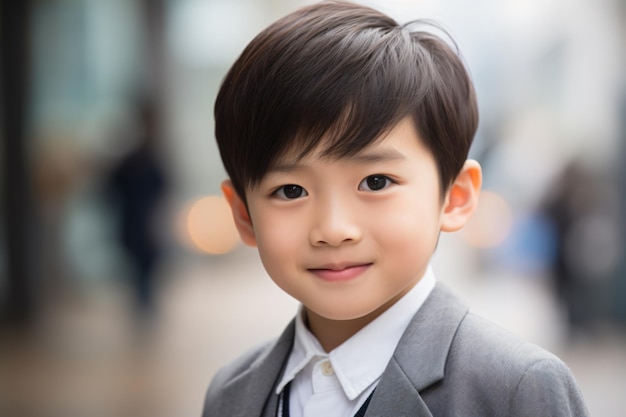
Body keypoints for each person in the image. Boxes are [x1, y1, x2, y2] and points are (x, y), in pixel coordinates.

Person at [202, 2, 590, 416]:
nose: (334, 229)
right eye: (292, 190)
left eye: (376, 182)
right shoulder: (232, 392)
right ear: (244, 215)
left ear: (455, 197)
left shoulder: (513, 389)